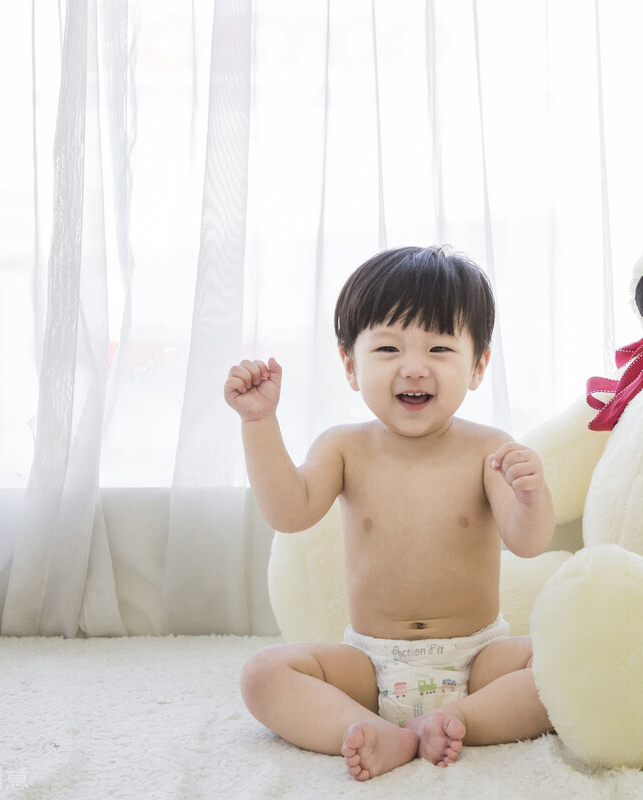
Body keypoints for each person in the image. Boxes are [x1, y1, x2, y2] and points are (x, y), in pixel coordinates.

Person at [225, 245, 556, 781]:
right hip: (370, 663)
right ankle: (365, 726)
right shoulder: (343, 448)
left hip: (478, 660)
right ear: (351, 366)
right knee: (263, 675)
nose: (414, 366)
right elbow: (289, 512)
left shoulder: (488, 448)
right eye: (387, 347)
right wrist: (259, 424)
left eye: (440, 347)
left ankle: (460, 718)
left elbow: (528, 541)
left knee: (564, 665)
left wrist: (530, 495)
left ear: (478, 366)